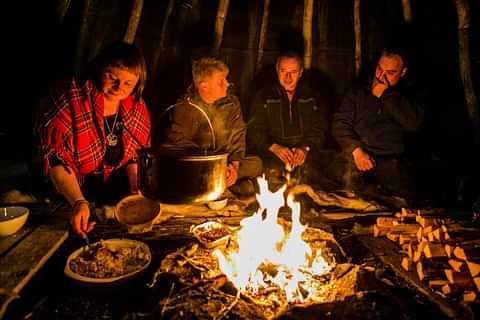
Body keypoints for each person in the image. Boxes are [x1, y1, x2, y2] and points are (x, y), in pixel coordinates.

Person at [35, 41, 151, 238]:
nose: (119, 88)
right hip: (68, 191)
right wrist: (79, 202)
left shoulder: (136, 106)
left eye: (128, 83)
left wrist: (134, 191)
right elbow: (56, 159)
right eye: (112, 77)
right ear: (99, 69)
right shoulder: (72, 97)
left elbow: (135, 156)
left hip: (110, 191)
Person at [332, 48, 424, 206]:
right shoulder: (358, 92)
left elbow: (414, 123)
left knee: (401, 191)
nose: (381, 77)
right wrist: (356, 150)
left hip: (394, 164)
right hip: (359, 160)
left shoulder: (409, 96)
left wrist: (386, 95)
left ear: (402, 72)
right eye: (379, 70)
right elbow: (339, 123)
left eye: (390, 73)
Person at [165, 56, 262, 196]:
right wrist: (212, 165)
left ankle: (226, 182)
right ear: (204, 86)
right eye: (220, 81)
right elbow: (178, 141)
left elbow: (238, 133)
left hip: (225, 162)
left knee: (256, 164)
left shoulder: (231, 102)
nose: (227, 84)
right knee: (178, 169)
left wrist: (234, 166)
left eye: (226, 79)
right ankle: (229, 186)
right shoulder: (186, 105)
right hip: (200, 164)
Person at [247, 52, 330, 189]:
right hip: (273, 152)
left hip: (304, 152)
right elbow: (254, 128)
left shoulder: (312, 96)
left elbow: (320, 127)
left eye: (293, 72)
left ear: (301, 72)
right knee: (271, 174)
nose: (288, 77)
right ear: (277, 70)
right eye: (283, 71)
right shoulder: (264, 95)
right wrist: (274, 147)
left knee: (309, 175)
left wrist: (305, 147)